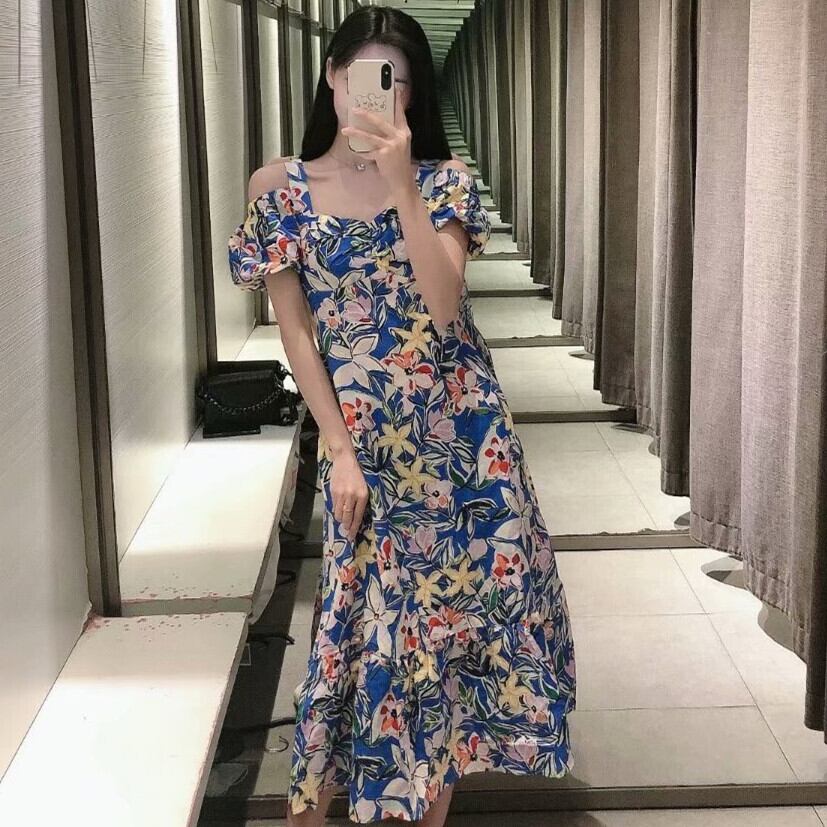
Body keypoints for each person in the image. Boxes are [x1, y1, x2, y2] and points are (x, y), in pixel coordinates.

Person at [228, 6, 576, 825]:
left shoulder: (442, 181)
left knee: (448, 649)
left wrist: (400, 188)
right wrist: (339, 449)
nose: (380, 96)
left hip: (463, 446)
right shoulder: (277, 189)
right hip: (366, 453)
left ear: (413, 94)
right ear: (332, 77)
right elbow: (295, 330)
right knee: (358, 636)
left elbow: (444, 307)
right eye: (365, 77)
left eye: (399, 82)